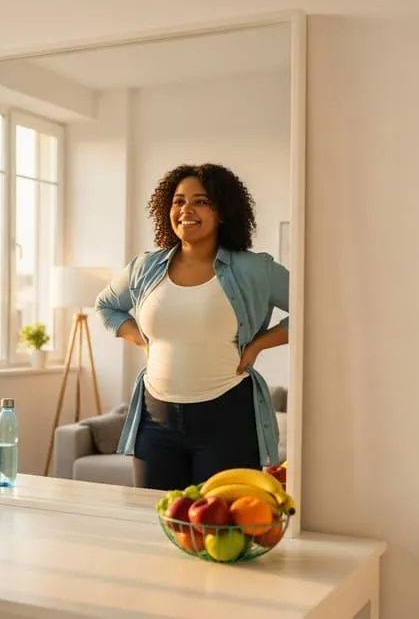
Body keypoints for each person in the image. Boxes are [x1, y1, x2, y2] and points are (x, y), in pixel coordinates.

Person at [94, 163, 289, 491]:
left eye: (201, 201)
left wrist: (258, 344)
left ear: (222, 212)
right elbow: (106, 306)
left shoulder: (255, 269)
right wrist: (143, 342)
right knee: (155, 517)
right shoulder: (144, 267)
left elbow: (314, 310)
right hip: (155, 422)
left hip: (228, 421)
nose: (187, 210)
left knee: (223, 518)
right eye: (179, 201)